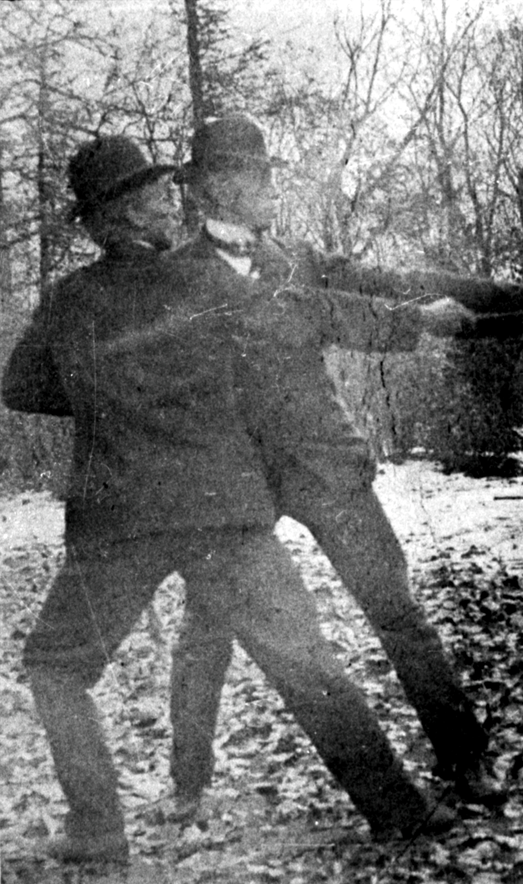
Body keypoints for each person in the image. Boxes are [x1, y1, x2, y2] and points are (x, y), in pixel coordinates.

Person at [2, 136, 459, 863]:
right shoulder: (207, 283)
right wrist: (420, 321)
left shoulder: (69, 301)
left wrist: (103, 397)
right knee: (303, 660)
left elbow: (21, 386)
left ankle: (98, 830)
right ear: (126, 213)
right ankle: (398, 809)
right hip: (221, 507)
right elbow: (313, 312)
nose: (170, 202)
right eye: (156, 194)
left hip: (120, 516)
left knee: (57, 667)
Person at [166, 114, 523, 818]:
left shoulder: (296, 257)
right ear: (215, 188)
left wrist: (510, 300)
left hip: (324, 465)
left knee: (397, 611)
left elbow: (399, 282)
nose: (272, 188)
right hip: (234, 485)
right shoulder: (175, 280)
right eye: (257, 175)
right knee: (207, 629)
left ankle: (463, 755)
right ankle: (188, 782)